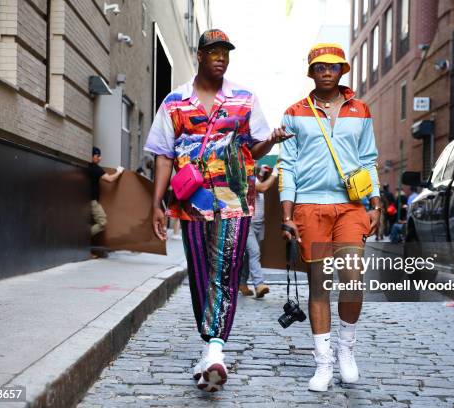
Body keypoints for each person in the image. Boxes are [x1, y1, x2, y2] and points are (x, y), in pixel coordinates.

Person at [144, 29, 292, 392]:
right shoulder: (175, 101)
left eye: (225, 52)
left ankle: (215, 350)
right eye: (213, 51)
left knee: (225, 273)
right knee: (199, 273)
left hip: (235, 202)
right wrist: (156, 204)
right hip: (190, 205)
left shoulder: (244, 99)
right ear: (199, 55)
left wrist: (269, 142)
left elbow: (254, 150)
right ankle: (208, 344)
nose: (221, 57)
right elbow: (163, 155)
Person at [278, 43, 382, 392]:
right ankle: (323, 363)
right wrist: (287, 213)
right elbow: (287, 166)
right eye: (320, 66)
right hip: (309, 205)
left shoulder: (361, 110)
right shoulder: (294, 112)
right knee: (320, 284)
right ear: (311, 71)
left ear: (342, 71)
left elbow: (368, 159)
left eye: (333, 66)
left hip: (351, 205)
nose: (326, 71)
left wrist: (376, 203)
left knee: (353, 278)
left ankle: (346, 350)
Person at [238, 165, 277, 298]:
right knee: (254, 252)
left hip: (259, 223)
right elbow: (262, 187)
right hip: (248, 222)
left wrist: (260, 174)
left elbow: (257, 187)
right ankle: (259, 284)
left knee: (249, 255)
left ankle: (242, 282)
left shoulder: (254, 177)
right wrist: (275, 172)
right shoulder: (245, 176)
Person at [89, 147, 124, 237]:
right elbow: (110, 179)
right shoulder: (96, 168)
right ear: (92, 156)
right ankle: (81, 238)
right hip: (92, 201)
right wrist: (119, 171)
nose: (100, 158)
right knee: (102, 223)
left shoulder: (85, 166)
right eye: (98, 156)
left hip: (83, 200)